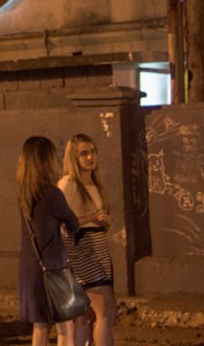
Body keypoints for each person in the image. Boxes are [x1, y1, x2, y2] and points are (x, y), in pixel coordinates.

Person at [17, 136, 79, 346]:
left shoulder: (24, 194)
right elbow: (73, 223)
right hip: (53, 269)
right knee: (65, 327)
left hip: (30, 270)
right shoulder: (52, 194)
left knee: (40, 326)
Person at [58, 134, 116, 346]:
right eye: (84, 153)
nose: (90, 157)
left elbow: (100, 218)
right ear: (73, 157)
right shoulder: (68, 183)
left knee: (87, 316)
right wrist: (92, 217)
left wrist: (105, 222)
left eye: (93, 152)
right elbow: (62, 222)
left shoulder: (95, 181)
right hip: (83, 249)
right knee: (106, 311)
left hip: (99, 247)